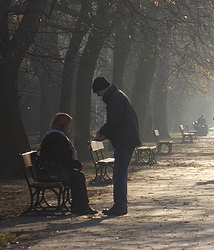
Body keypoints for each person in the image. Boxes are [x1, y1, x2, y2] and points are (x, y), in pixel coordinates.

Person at [93, 76, 141, 216]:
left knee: (119, 174)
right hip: (126, 139)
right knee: (120, 174)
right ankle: (120, 204)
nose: (98, 96)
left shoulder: (115, 98)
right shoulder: (118, 96)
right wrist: (106, 135)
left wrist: (101, 132)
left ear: (102, 89)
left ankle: (119, 205)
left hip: (124, 141)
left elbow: (114, 120)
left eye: (98, 92)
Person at [38, 113, 97, 215]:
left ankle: (78, 205)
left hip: (53, 168)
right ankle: (81, 206)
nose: (69, 127)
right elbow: (61, 157)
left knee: (77, 176)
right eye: (68, 125)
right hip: (52, 171)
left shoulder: (56, 135)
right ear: (62, 125)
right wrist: (76, 164)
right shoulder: (56, 137)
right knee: (78, 177)